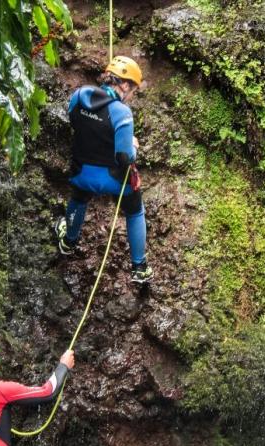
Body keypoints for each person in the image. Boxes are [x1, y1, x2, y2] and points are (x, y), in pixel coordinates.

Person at [56, 55, 153, 285]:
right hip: (113, 180)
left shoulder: (79, 96)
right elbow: (124, 157)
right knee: (135, 211)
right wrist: (134, 146)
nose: (131, 97)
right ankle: (139, 268)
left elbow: (74, 120)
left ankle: (69, 242)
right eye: (133, 91)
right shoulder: (122, 113)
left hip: (82, 174)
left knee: (78, 200)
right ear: (125, 85)